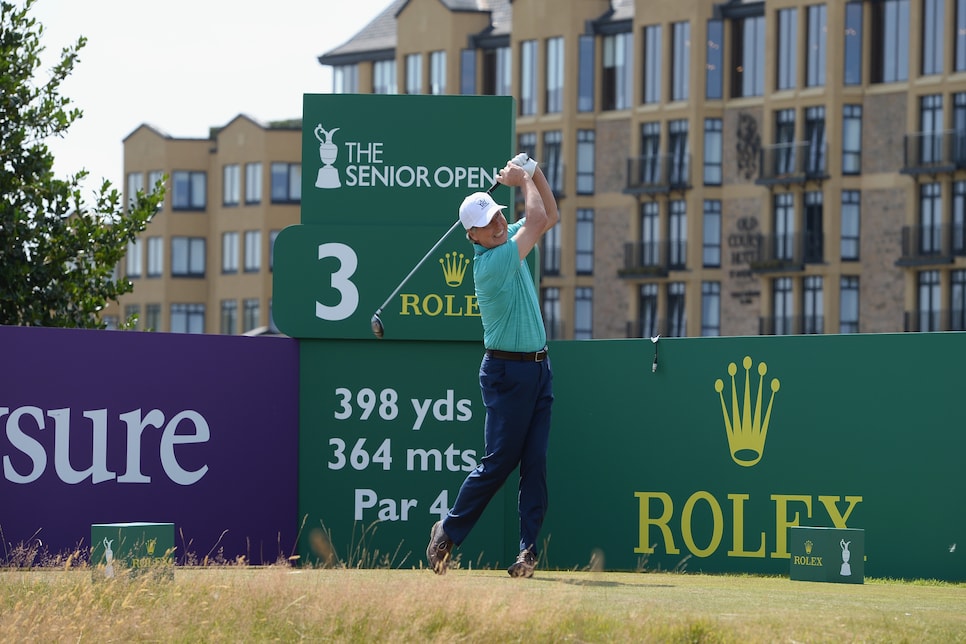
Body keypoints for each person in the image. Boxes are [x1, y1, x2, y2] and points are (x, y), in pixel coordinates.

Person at [426, 154, 558, 578]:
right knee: (500, 461)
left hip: (538, 369)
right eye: (489, 223)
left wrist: (534, 170)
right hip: (507, 373)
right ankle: (448, 530)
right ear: (473, 236)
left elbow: (548, 214)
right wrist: (523, 179)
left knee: (534, 462)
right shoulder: (490, 265)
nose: (500, 224)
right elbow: (535, 219)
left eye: (499, 216)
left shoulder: (509, 238)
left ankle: (527, 552)